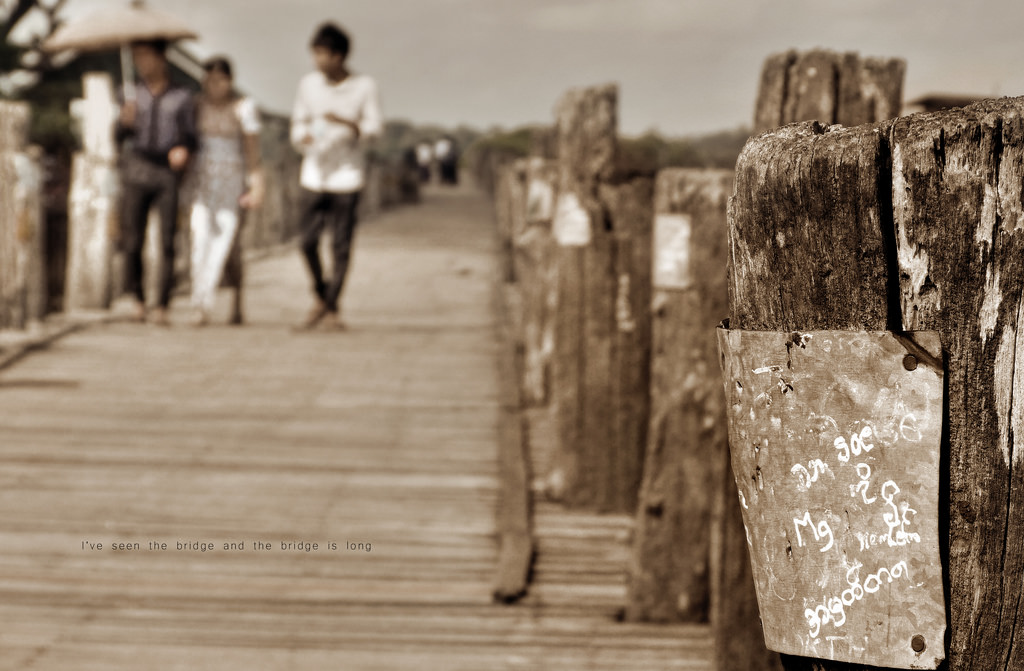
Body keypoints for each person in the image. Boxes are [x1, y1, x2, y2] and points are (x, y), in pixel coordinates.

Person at [290, 22, 383, 331]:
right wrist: (303, 137)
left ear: (339, 56)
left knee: (341, 245)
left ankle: (330, 306)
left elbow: (375, 129)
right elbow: (297, 125)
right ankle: (324, 296)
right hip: (315, 172)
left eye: (323, 54)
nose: (317, 61)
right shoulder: (308, 85)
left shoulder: (364, 86)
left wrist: (347, 124)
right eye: (315, 54)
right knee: (307, 241)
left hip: (347, 175)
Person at [115, 39, 197, 326]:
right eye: (137, 58)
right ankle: (138, 300)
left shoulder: (182, 96)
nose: (142, 64)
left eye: (147, 57)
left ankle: (162, 303)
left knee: (166, 241)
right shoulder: (130, 94)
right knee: (132, 241)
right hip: (137, 168)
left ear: (162, 58)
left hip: (166, 172)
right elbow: (118, 137)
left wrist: (183, 149)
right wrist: (124, 122)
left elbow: (191, 136)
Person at [187, 56, 264, 327]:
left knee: (226, 245)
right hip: (203, 182)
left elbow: (252, 151)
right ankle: (200, 303)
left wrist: (256, 184)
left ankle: (234, 302)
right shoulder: (196, 106)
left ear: (229, 81)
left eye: (219, 80)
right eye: (208, 80)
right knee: (200, 239)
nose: (213, 86)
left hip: (232, 182)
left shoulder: (243, 108)